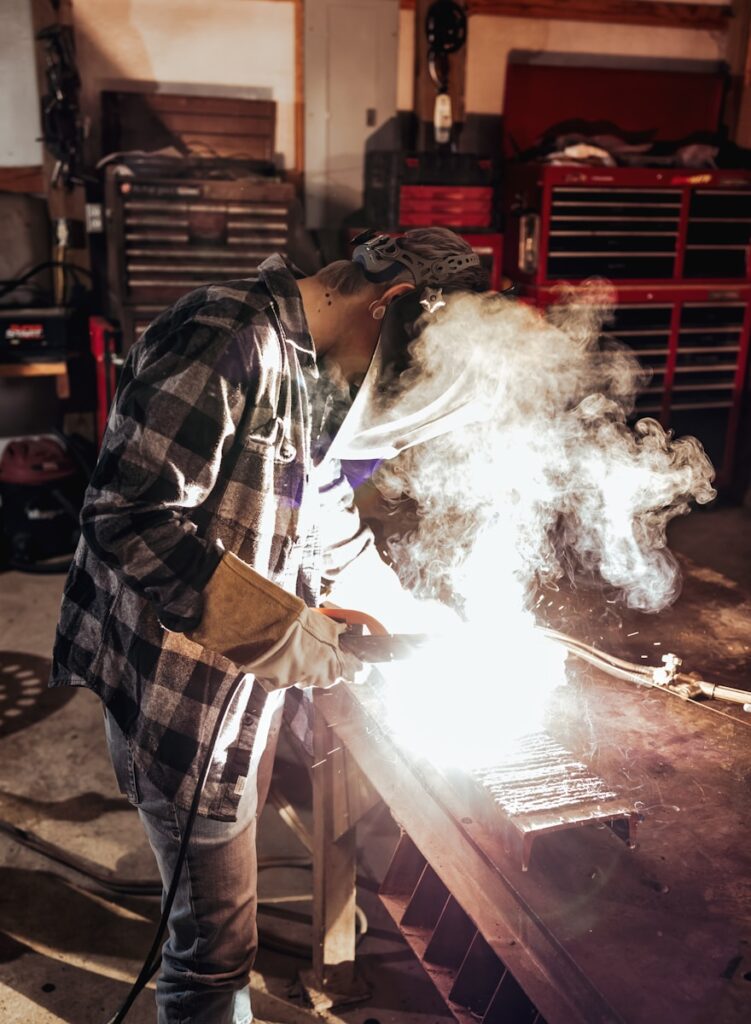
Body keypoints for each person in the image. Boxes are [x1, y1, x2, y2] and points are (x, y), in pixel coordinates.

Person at [51, 227, 489, 1023]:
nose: (365, 390)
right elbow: (127, 520)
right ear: (385, 306)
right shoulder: (228, 338)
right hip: (178, 700)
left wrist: (407, 618)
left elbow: (322, 510)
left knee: (226, 906)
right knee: (214, 955)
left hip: (237, 691)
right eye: (381, 375)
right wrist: (280, 630)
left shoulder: (302, 370)